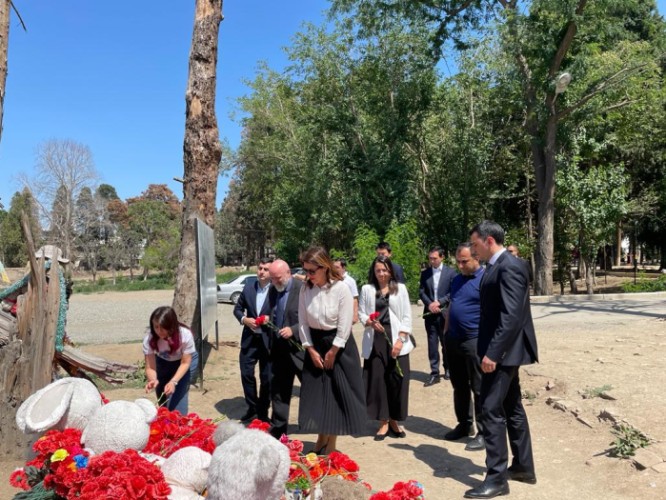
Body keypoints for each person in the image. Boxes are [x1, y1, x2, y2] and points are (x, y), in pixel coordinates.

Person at [465, 221, 539, 499]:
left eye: (474, 244)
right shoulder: (495, 266)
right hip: (503, 349)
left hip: (504, 352)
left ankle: (496, 478)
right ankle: (522, 466)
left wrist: (493, 353)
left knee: (490, 409)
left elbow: (511, 316)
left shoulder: (510, 266)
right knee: (512, 406)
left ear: (488, 241)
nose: (473, 249)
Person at [298, 246, 366, 455]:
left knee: (336, 394)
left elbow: (345, 324)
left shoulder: (341, 289)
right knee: (318, 394)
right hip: (315, 344)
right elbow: (302, 321)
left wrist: (333, 351)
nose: (308, 275)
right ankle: (321, 437)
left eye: (312, 271)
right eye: (305, 270)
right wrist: (309, 348)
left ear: (324, 266)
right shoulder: (305, 289)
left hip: (338, 346)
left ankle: (331, 444)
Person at [359, 255, 413, 440]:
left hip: (396, 336)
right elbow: (361, 313)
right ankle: (382, 421)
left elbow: (406, 316)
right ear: (373, 272)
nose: (381, 274)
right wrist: (370, 322)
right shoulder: (367, 289)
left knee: (398, 378)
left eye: (384, 270)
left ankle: (394, 419)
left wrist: (401, 340)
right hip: (376, 338)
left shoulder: (400, 289)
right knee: (378, 380)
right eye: (378, 270)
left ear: (391, 270)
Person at [443, 243, 485, 451]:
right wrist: (446, 329)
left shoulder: (485, 279)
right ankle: (464, 424)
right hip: (454, 339)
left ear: (476, 258)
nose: (460, 265)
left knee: (479, 387)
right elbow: (452, 304)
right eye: (458, 261)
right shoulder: (457, 280)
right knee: (459, 385)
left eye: (464, 261)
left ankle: (483, 432)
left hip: (474, 340)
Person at [266, 259, 304, 439]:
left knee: (310, 390)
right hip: (279, 350)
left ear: (288, 273)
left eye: (278, 278)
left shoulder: (303, 289)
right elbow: (270, 311)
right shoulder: (274, 289)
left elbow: (312, 317)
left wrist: (293, 329)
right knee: (279, 392)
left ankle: (315, 427)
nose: (275, 282)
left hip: (300, 350)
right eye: (272, 279)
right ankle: (279, 430)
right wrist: (266, 319)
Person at [233, 258, 273, 423]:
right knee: (246, 373)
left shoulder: (276, 291)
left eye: (266, 269)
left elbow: (283, 312)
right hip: (249, 339)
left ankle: (263, 412)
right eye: (260, 268)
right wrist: (244, 319)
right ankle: (252, 407)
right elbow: (237, 309)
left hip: (268, 340)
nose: (262, 272)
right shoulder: (249, 287)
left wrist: (271, 319)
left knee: (267, 378)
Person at [143, 306, 195, 414]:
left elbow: (185, 363)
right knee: (163, 400)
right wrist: (153, 379)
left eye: (163, 327)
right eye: (156, 327)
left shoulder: (185, 335)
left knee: (177, 406)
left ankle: (180, 426)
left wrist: (173, 381)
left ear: (171, 326)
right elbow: (150, 367)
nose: (159, 331)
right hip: (163, 362)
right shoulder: (150, 338)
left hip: (183, 363)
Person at [418, 246, 455, 386]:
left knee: (446, 343)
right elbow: (421, 291)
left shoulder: (451, 273)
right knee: (432, 344)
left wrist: (439, 302)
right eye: (430, 258)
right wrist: (430, 305)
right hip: (430, 314)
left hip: (445, 313)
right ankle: (434, 372)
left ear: (442, 257)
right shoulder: (425, 273)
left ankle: (448, 369)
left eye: (434, 258)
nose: (432, 261)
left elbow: (453, 292)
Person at [333, 258, 359, 324]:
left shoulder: (350, 281)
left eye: (337, 267)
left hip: (346, 314)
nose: (334, 270)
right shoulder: (331, 280)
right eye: (333, 267)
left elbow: (355, 298)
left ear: (343, 267)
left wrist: (355, 315)